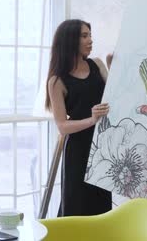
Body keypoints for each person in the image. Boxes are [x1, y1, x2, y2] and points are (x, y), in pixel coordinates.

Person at [45, 19, 114, 217]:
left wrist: (112, 65)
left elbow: (114, 95)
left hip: (102, 147)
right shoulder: (56, 81)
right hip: (78, 150)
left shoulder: (97, 65)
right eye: (84, 36)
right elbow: (62, 126)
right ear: (70, 40)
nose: (90, 40)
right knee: (76, 207)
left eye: (90, 35)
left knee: (102, 210)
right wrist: (92, 120)